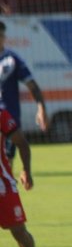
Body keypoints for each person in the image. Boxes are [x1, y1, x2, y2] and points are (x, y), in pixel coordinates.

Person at [1, 107, 48, 247]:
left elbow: (21, 143)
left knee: (20, 233)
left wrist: (26, 170)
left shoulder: (1, 115)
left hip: (3, 185)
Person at [0, 20, 48, 160]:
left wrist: (41, 108)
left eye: (1, 35)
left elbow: (32, 85)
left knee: (7, 162)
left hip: (9, 118)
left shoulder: (11, 59)